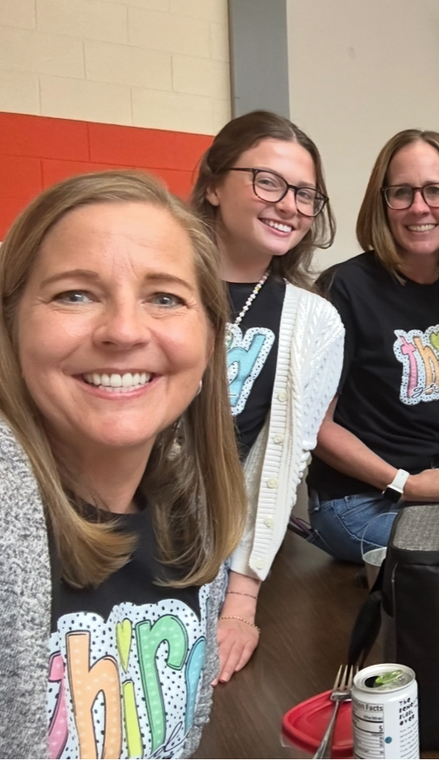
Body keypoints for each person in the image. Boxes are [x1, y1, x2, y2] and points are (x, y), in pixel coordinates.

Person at [0, 171, 246, 757]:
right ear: (11, 321)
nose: (124, 331)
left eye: (166, 297)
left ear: (208, 340)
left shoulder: (193, 506)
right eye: (75, 293)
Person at [306, 129, 439, 563]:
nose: (419, 206)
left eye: (435, 191)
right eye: (402, 192)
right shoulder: (343, 288)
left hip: (436, 480)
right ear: (382, 203)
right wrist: (402, 482)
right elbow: (315, 425)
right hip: (357, 502)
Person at [191, 111, 344, 682]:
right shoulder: (155, 280)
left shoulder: (316, 322)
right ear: (212, 183)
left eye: (305, 193)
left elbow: (280, 463)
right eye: (268, 181)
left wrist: (242, 598)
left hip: (207, 544)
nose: (289, 205)